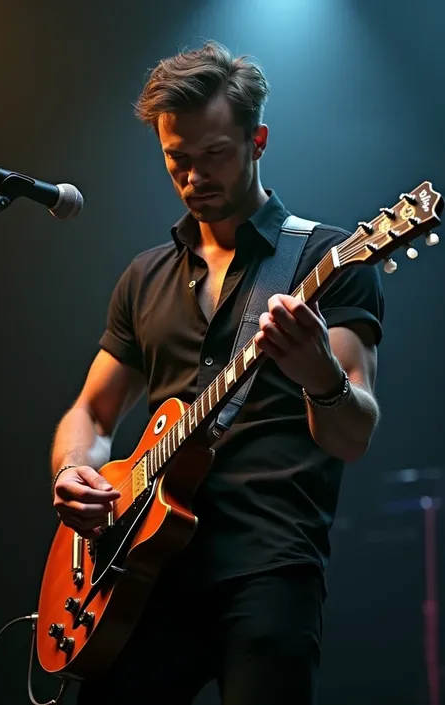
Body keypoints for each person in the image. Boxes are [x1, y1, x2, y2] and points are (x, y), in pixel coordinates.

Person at [51, 41, 384, 705]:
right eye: (178, 159)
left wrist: (318, 369)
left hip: (268, 569)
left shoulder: (330, 258)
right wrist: (72, 471)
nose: (194, 177)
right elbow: (91, 411)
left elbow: (353, 434)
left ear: (257, 139)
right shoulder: (144, 276)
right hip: (139, 569)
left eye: (215, 155)